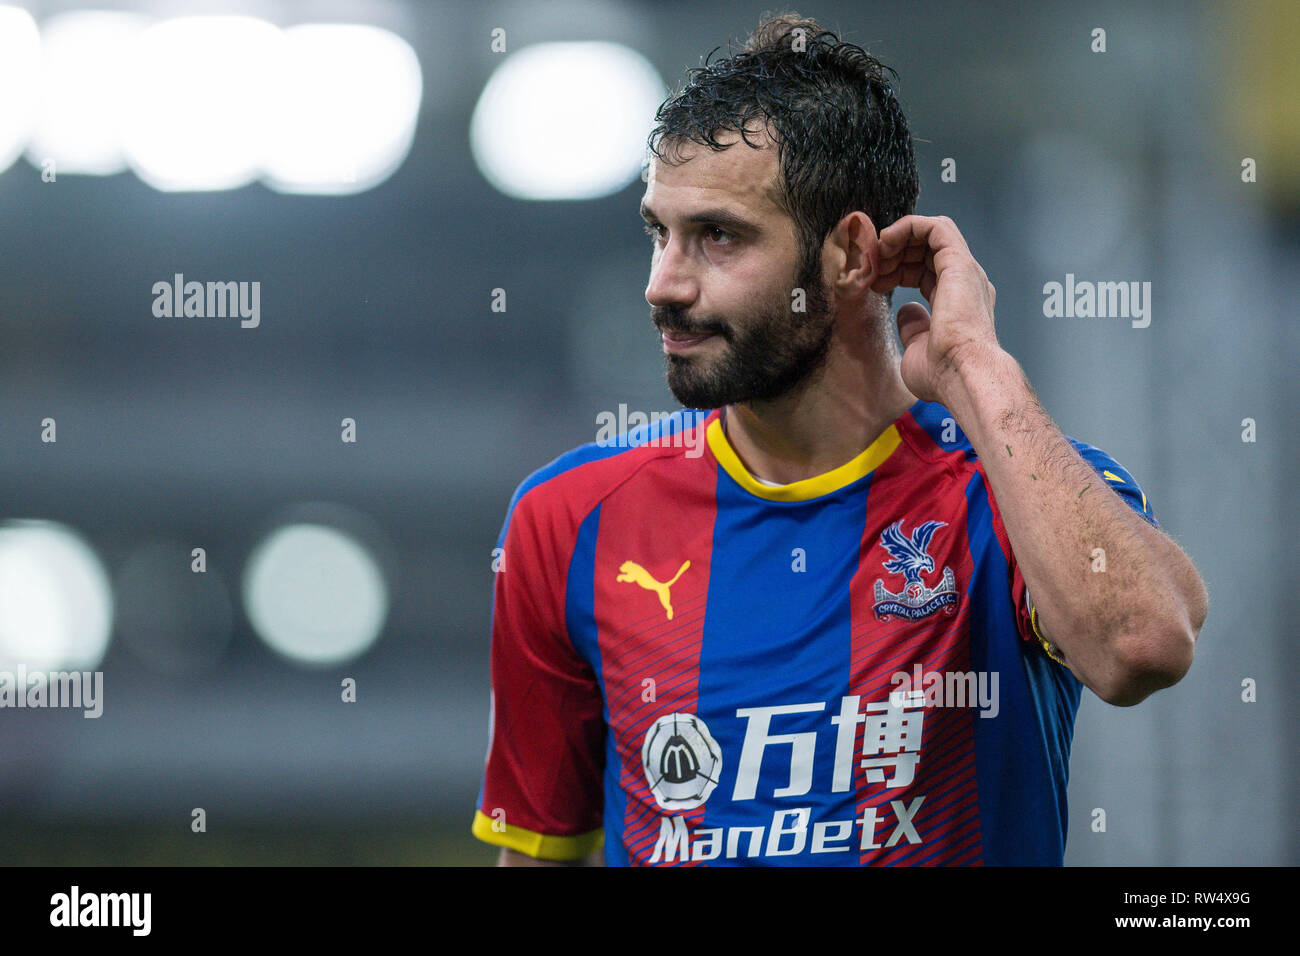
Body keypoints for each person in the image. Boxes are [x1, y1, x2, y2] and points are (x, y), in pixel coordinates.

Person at [471, 13, 1208, 866]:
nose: (664, 285)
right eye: (658, 233)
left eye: (718, 237)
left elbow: (1140, 647)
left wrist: (974, 364)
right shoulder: (567, 521)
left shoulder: (1005, 495)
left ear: (851, 252)